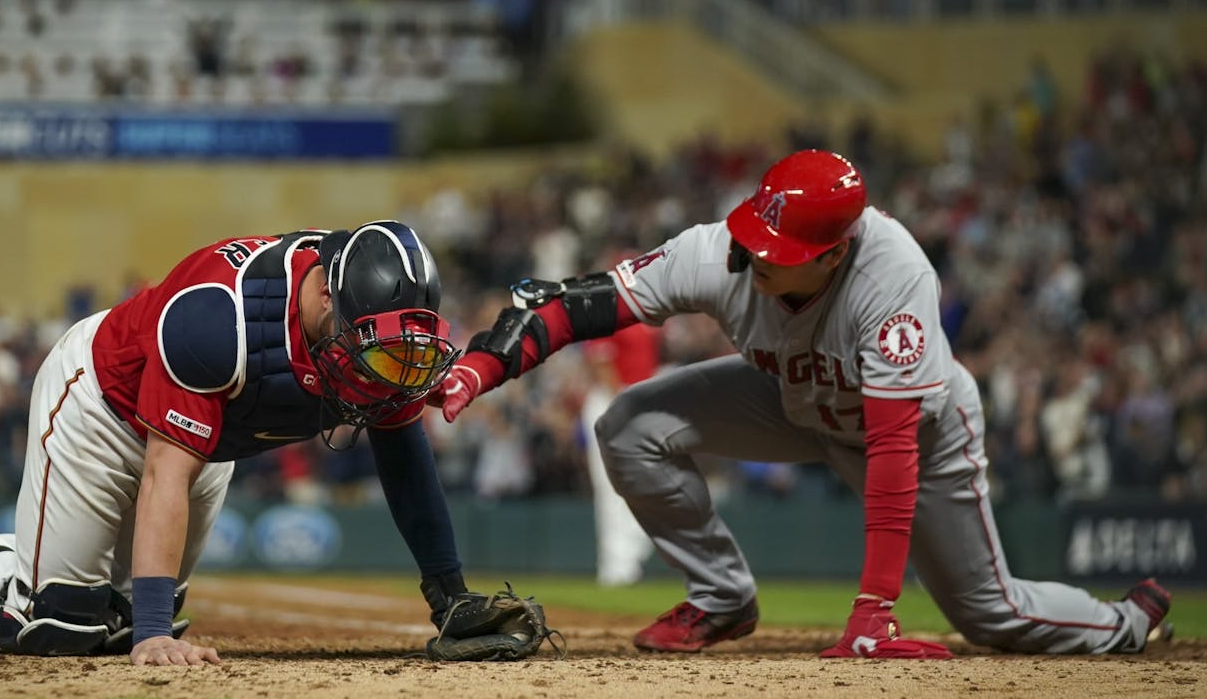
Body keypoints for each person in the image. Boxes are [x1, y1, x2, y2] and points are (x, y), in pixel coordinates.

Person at [431, 150, 1171, 658]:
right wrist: (479, 370)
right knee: (628, 426)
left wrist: (875, 611)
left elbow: (891, 448)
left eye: (777, 250)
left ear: (835, 252)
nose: (755, 257)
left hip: (919, 432)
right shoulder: (720, 249)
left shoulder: (894, 280)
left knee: (990, 613)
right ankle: (722, 597)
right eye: (757, 235)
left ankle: (1125, 622)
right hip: (795, 398)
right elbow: (573, 308)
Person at [0, 222, 494, 667]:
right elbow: (163, 472)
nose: (384, 370)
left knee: (116, 625)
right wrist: (157, 633)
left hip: (208, 435)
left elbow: (405, 458)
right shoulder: (216, 315)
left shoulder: (374, 332)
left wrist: (450, 594)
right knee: (58, 625)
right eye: (373, 348)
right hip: (103, 405)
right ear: (324, 290)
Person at [581, 311, 659, 587]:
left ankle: (631, 555)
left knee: (642, 482)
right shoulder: (610, 310)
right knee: (611, 488)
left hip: (639, 399)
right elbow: (600, 359)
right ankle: (616, 567)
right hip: (612, 400)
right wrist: (623, 403)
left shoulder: (646, 314)